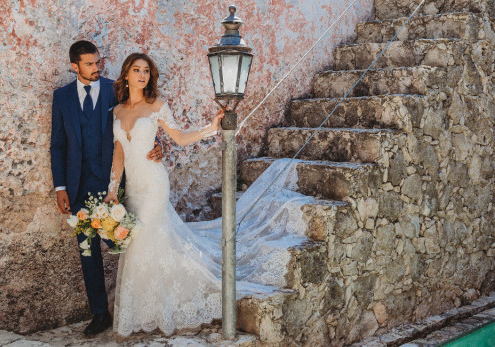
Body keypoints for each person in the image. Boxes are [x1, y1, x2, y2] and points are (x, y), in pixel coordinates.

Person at [105, 52, 315, 337]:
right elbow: (119, 154)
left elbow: (178, 137)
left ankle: (163, 309)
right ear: (126, 74)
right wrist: (111, 192)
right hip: (133, 188)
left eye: (146, 71)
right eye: (136, 70)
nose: (142, 75)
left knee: (142, 235)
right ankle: (145, 310)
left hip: (154, 184)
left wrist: (210, 129)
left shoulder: (157, 105)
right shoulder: (117, 112)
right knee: (138, 245)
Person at [49, 41, 163, 337]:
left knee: (127, 244)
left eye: (98, 62)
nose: (97, 68)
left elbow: (142, 118)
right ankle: (100, 314)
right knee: (88, 252)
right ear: (75, 66)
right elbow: (58, 144)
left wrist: (156, 144)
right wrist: (60, 186)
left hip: (114, 185)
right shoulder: (60, 97)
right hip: (76, 188)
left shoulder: (116, 89)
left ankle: (142, 307)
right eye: (89, 64)